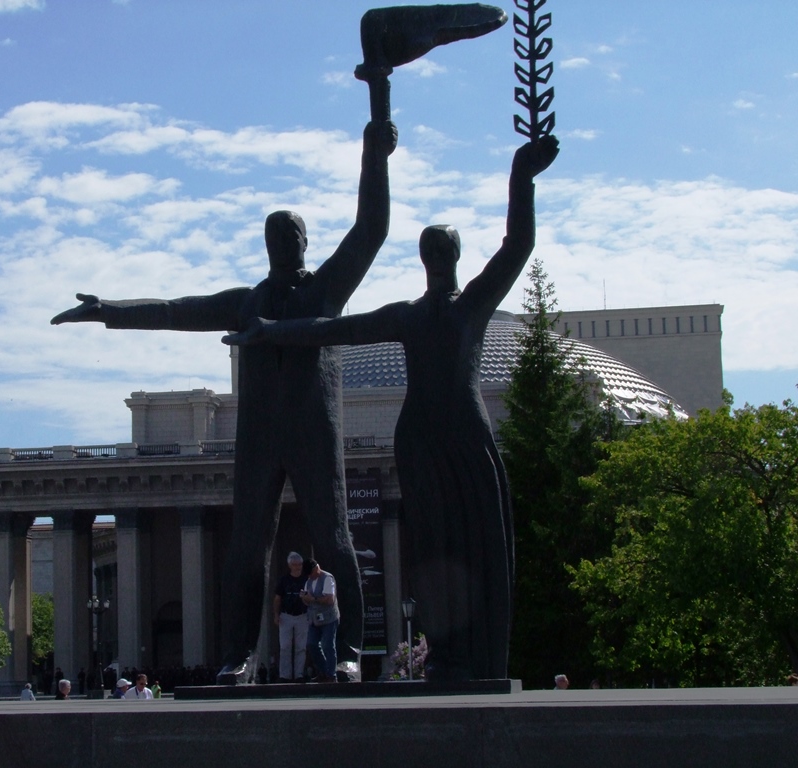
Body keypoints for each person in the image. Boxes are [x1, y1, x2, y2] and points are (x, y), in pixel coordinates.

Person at [52, 119, 397, 683]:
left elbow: (372, 229)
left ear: (304, 243)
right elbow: (172, 309)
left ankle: (350, 652)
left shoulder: (325, 291)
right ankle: (239, 655)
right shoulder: (246, 303)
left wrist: (374, 156)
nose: (281, 245)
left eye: (289, 237)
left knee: (335, 542)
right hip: (260, 436)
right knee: (245, 549)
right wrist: (109, 309)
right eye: (272, 238)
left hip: (314, 431)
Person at [225, 136, 560, 682]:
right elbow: (337, 329)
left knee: (477, 539)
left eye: (442, 250)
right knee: (433, 550)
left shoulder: (473, 305)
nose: (436, 259)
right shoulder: (407, 315)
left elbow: (516, 245)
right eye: (430, 251)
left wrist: (522, 176)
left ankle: (477, 657)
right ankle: (449, 656)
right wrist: (271, 332)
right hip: (420, 441)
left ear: (452, 256)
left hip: (463, 437)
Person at [274, 552, 310, 682]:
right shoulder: (284, 580)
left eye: (299, 564)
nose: (297, 567)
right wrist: (276, 614)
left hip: (302, 615)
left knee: (301, 646)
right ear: (289, 565)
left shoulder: (306, 580)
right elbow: (277, 599)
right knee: (285, 647)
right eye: (294, 565)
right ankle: (285, 675)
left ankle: (299, 674)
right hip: (286, 615)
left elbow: (311, 598)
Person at [302, 559, 339, 682]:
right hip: (314, 619)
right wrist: (304, 598)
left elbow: (329, 599)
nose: (309, 576)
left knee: (328, 645)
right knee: (311, 644)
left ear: (316, 568)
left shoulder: (327, 578)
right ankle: (323, 671)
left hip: (329, 618)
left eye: (310, 573)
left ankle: (331, 674)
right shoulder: (308, 581)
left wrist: (313, 599)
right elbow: (307, 600)